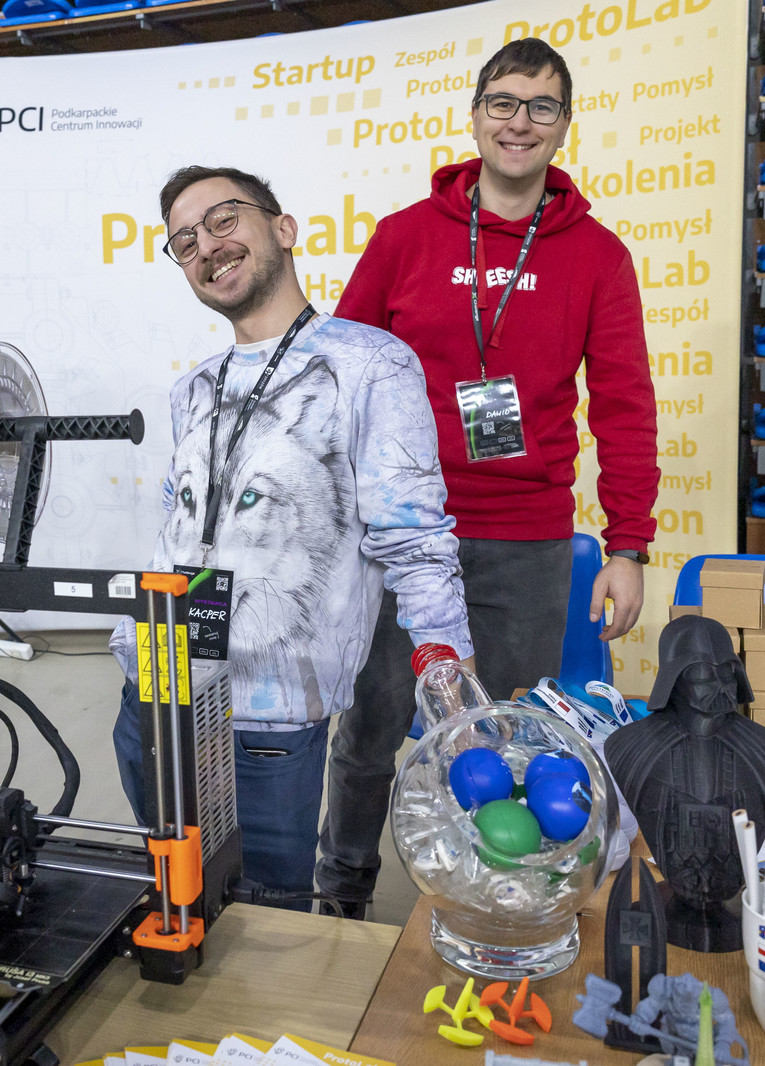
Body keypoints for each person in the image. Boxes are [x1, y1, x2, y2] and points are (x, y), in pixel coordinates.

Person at [318, 38, 660, 915]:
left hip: (526, 540)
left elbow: (624, 403)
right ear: (474, 115)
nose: (520, 122)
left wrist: (627, 545)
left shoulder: (599, 256)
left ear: (564, 125)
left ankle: (488, 899)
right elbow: (341, 376)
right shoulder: (404, 238)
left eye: (542, 106)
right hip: (400, 533)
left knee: (504, 741)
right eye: (503, 102)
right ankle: (341, 892)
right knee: (369, 730)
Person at [109, 165, 471, 904]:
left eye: (223, 219)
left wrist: (448, 672)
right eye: (185, 242)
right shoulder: (193, 388)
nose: (207, 246)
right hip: (154, 692)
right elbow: (181, 531)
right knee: (177, 897)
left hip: (267, 719)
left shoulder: (371, 365)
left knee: (264, 919)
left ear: (283, 228)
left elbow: (414, 542)